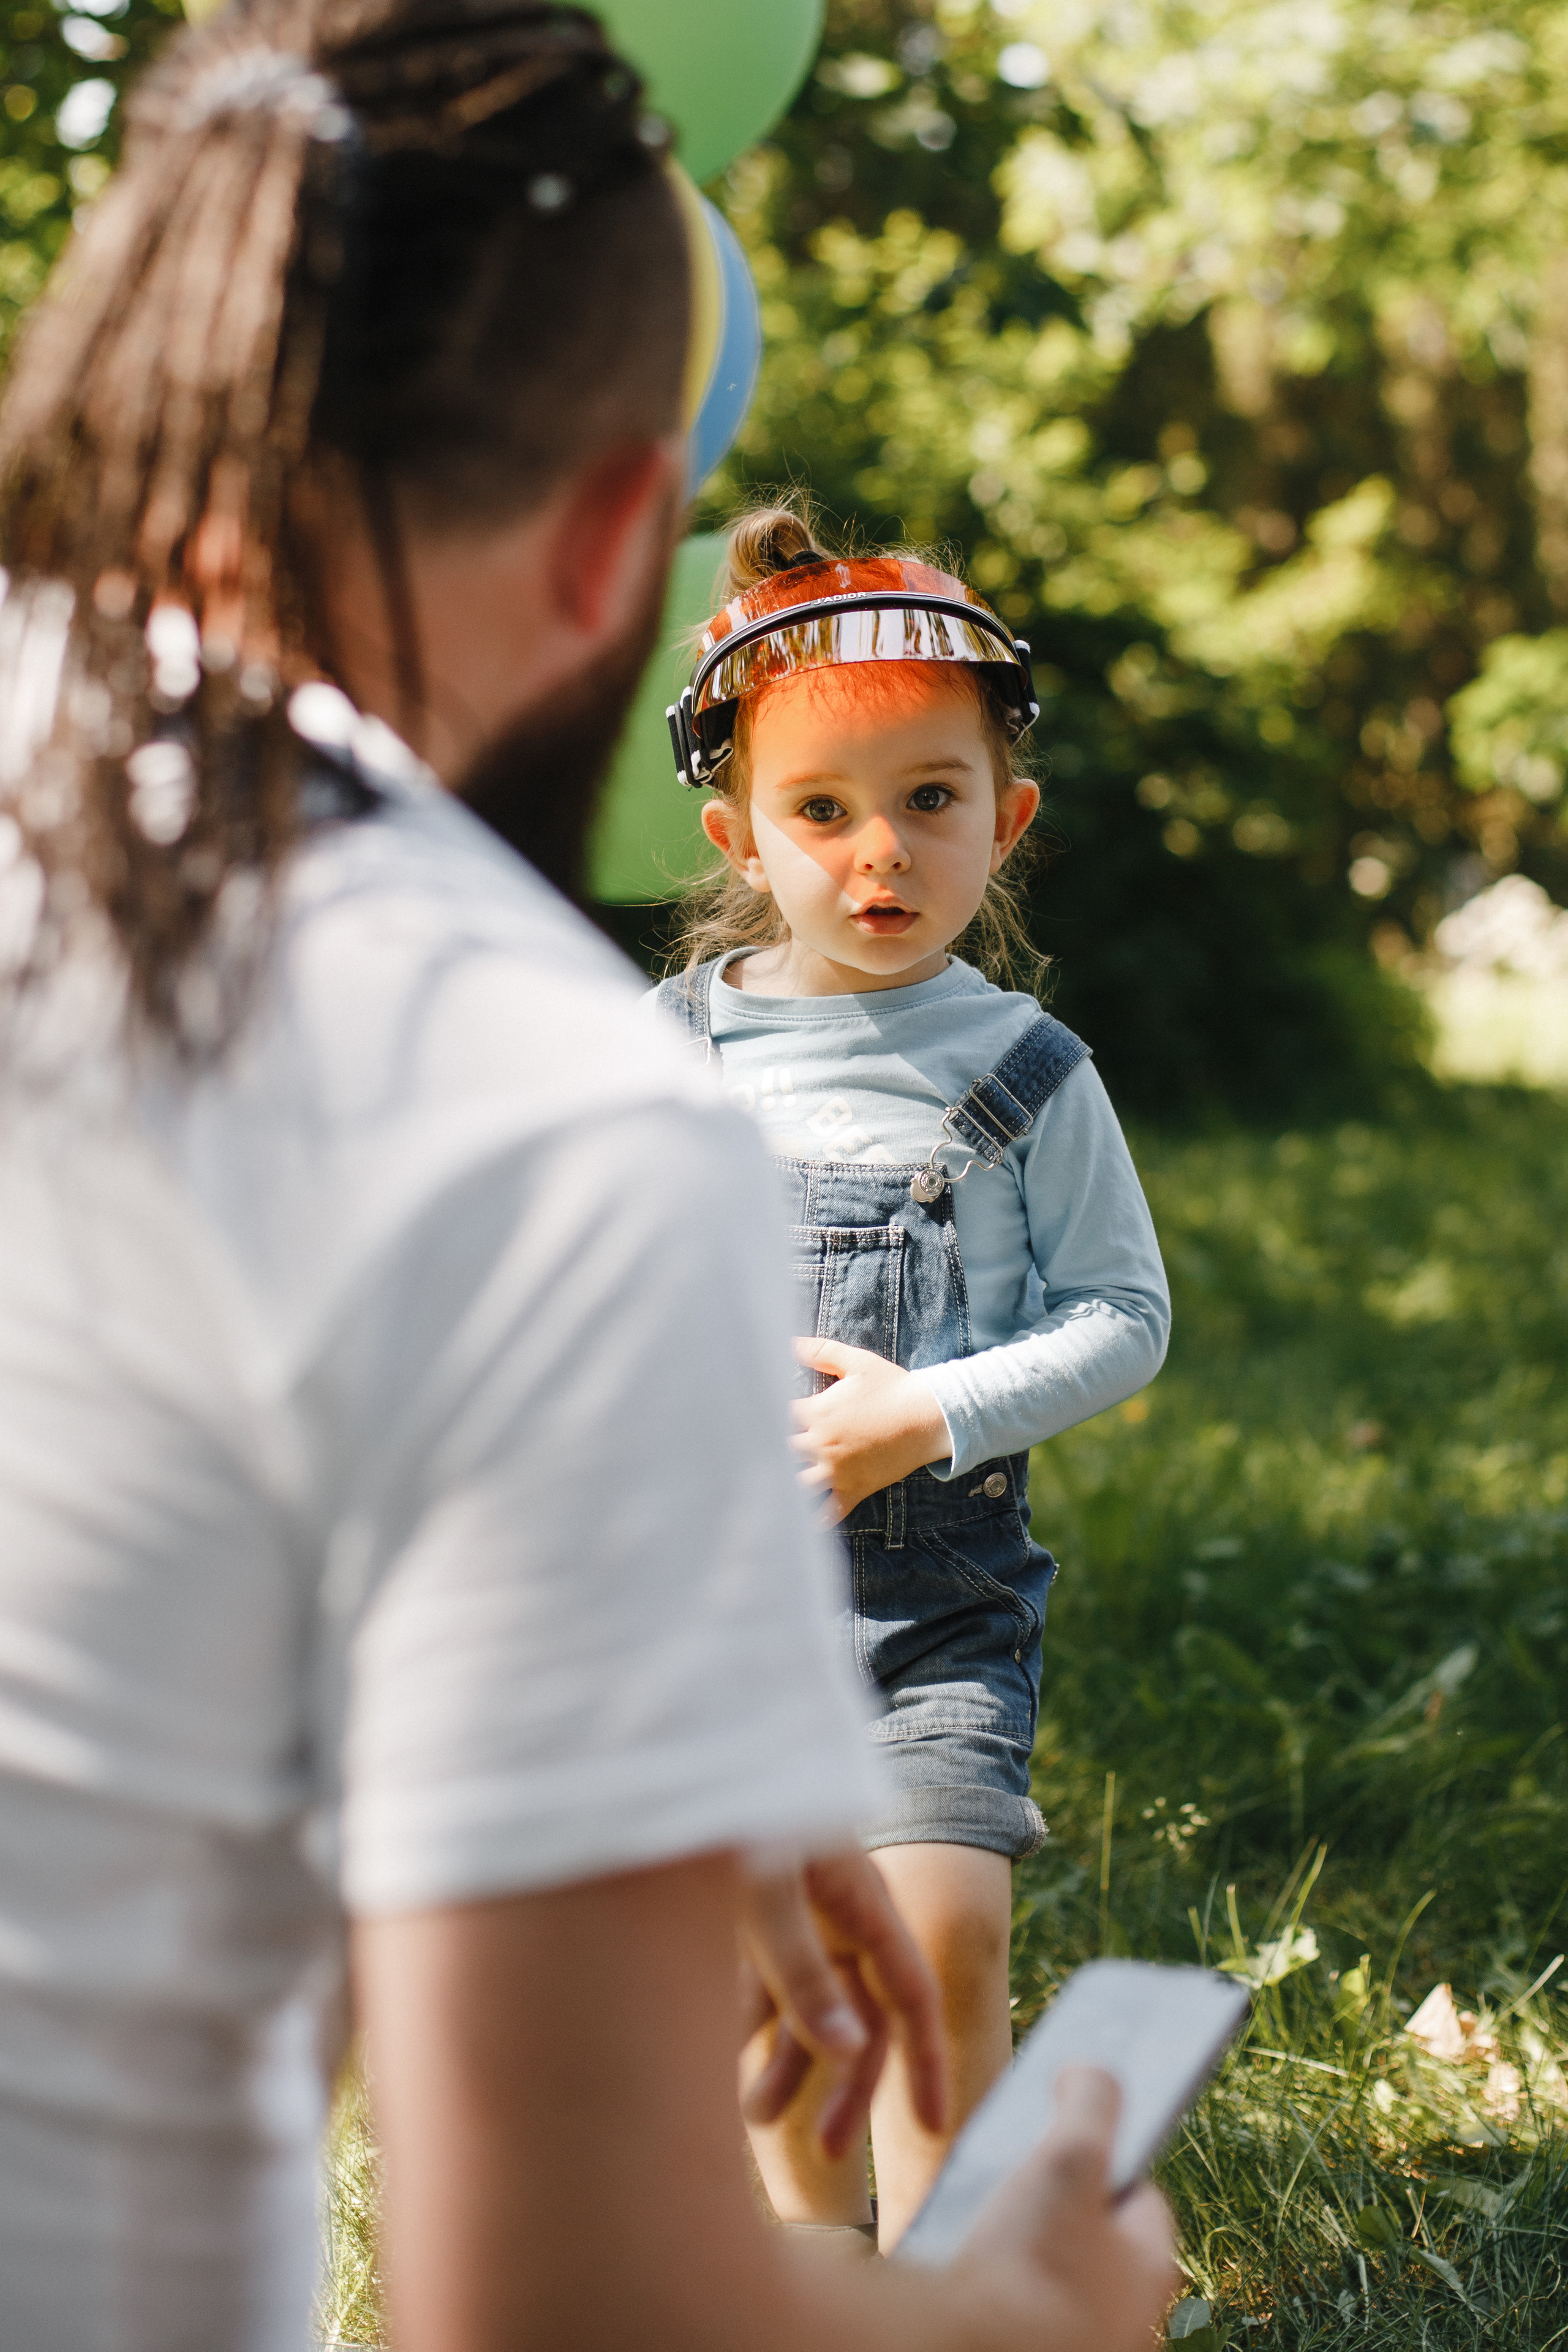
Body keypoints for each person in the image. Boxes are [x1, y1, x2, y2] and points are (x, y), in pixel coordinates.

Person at [0, 1, 1175, 2345]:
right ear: (636, 538)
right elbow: (562, 2297)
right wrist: (1027, 2305)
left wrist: (600, 1780)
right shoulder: (536, 1092)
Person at [654, 506, 1172, 2248]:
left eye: (931, 800)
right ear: (740, 832)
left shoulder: (1028, 1070)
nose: (881, 848)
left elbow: (1125, 1314)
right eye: (824, 809)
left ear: (1006, 818)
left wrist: (927, 1413)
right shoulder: (673, 1054)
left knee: (940, 1935)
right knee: (776, 1991)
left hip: (931, 1610)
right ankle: (818, 2287)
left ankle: (944, 2280)